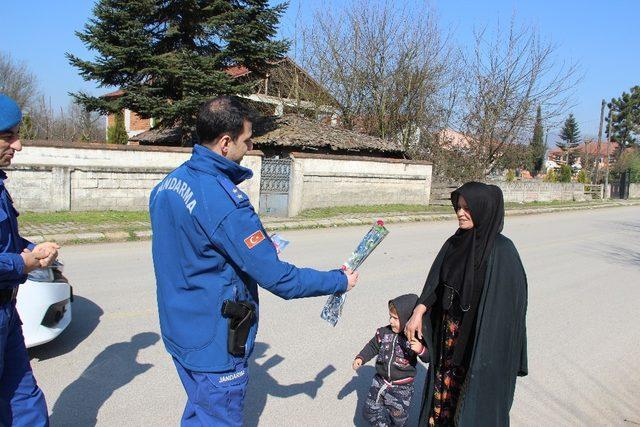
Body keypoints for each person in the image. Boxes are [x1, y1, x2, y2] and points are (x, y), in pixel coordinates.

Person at [149, 96, 359, 426]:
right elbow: (281, 280)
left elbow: (195, 249)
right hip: (214, 343)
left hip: (180, 332)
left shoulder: (168, 184)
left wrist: (252, 246)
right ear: (225, 142)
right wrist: (339, 280)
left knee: (199, 411)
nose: (250, 147)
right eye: (247, 140)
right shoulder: (225, 202)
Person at [404, 182, 527, 426]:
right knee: (444, 392)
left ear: (483, 210)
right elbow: (436, 283)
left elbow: (510, 313)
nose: (460, 213)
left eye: (467, 208)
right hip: (449, 338)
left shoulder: (503, 251)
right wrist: (419, 309)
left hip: (480, 342)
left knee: (471, 400)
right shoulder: (455, 243)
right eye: (458, 207)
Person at [0, 94, 60, 427]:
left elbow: (7, 241)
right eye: (8, 136)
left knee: (24, 398)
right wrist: (23, 264)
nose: (19, 145)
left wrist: (33, 249)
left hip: (7, 313)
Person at [353, 293, 429, 426]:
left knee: (398, 419)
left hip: (402, 388)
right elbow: (372, 346)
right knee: (369, 411)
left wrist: (421, 349)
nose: (391, 321)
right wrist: (361, 358)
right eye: (390, 317)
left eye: (396, 318)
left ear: (407, 319)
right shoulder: (383, 333)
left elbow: (428, 358)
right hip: (380, 381)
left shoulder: (414, 338)